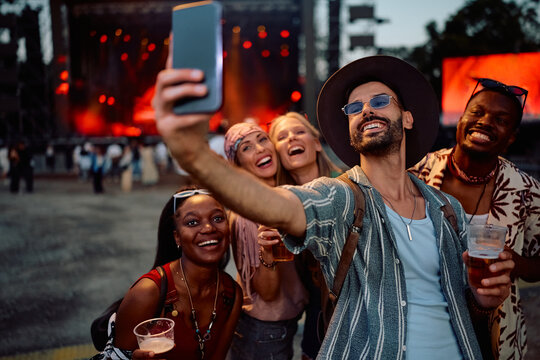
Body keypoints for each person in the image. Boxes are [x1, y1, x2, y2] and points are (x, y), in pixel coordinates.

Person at [153, 54, 514, 359]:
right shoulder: (340, 198)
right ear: (350, 128)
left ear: (407, 117)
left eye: (380, 101)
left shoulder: (447, 209)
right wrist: (194, 153)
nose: (367, 110)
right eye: (355, 108)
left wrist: (484, 299)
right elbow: (280, 205)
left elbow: (467, 298)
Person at [409, 77, 540, 359]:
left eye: (501, 119)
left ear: (511, 137)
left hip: (496, 334)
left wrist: (514, 263)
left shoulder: (527, 190)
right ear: (461, 121)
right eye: (477, 112)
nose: (485, 122)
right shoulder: (415, 174)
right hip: (425, 330)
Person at [97, 186, 242, 360]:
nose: (209, 228)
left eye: (218, 218)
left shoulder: (232, 294)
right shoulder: (148, 291)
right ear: (177, 237)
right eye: (192, 222)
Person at [223, 122, 308, 360]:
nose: (260, 149)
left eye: (262, 139)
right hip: (264, 331)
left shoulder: (279, 195)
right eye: (247, 148)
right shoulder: (250, 212)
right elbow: (268, 293)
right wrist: (268, 253)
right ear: (238, 165)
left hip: (277, 326)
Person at [268, 112, 342, 359]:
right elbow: (295, 293)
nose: (291, 138)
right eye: (282, 137)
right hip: (317, 324)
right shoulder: (278, 207)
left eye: (299, 132)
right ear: (277, 155)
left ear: (317, 143)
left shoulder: (349, 188)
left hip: (359, 315)